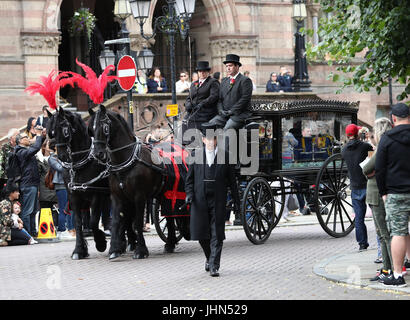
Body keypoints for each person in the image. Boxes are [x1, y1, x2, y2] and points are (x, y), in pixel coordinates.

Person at [185, 124, 239, 277]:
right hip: (200, 200)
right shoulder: (196, 156)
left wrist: (236, 201)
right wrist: (189, 194)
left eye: (213, 139)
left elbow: (232, 181)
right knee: (201, 233)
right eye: (207, 139)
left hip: (218, 200)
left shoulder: (225, 155)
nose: (210, 142)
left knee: (217, 233)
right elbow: (189, 180)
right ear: (203, 140)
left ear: (216, 141)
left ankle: (214, 265)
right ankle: (209, 257)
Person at [375, 103, 410, 287]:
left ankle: (398, 275)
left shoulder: (387, 138)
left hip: (396, 192)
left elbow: (379, 168)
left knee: (398, 232)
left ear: (393, 119)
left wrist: (383, 192)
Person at [362, 117, 393, 282]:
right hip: (380, 193)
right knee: (384, 233)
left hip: (376, 194)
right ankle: (388, 267)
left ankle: (389, 268)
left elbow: (366, 169)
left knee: (383, 234)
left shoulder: (382, 148)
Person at [341, 123, 373, 251]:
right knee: (376, 215)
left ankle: (362, 243)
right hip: (367, 184)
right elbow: (372, 159)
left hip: (354, 186)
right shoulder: (365, 146)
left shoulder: (344, 150)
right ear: (357, 133)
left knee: (359, 218)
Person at [207, 54, 253, 131]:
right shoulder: (224, 81)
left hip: (239, 114)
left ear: (237, 66)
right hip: (225, 114)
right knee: (210, 125)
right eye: (227, 66)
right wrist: (221, 110)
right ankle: (213, 143)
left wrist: (231, 111)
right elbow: (219, 99)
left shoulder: (245, 80)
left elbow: (245, 99)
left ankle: (225, 143)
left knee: (228, 128)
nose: (228, 68)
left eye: (230, 66)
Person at [14, 127, 46, 236]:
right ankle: (27, 234)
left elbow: (37, 145)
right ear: (20, 141)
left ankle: (32, 233)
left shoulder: (25, 150)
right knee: (27, 211)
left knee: (33, 211)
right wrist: (38, 135)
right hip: (27, 184)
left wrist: (42, 135)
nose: (28, 139)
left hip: (32, 184)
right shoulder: (20, 152)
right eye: (25, 137)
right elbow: (36, 147)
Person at [183, 61, 219, 146]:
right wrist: (188, 105)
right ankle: (187, 145)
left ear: (208, 72)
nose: (202, 73)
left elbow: (214, 96)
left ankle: (199, 144)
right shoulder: (194, 84)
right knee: (185, 121)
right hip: (194, 112)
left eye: (204, 71)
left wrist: (202, 103)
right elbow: (189, 98)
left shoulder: (213, 82)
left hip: (206, 112)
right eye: (200, 71)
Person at [48, 141, 75, 239]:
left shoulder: (64, 156)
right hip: (60, 184)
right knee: (63, 209)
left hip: (68, 184)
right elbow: (60, 168)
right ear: (55, 147)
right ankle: (62, 230)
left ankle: (67, 229)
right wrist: (70, 164)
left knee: (68, 208)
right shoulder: (52, 158)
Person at [0, 181, 33, 246]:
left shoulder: (10, 203)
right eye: (17, 192)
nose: (19, 193)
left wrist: (18, 222)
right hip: (4, 230)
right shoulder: (6, 203)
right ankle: (3, 241)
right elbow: (6, 222)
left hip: (8, 229)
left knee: (26, 241)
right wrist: (18, 224)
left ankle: (5, 242)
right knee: (28, 239)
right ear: (11, 193)